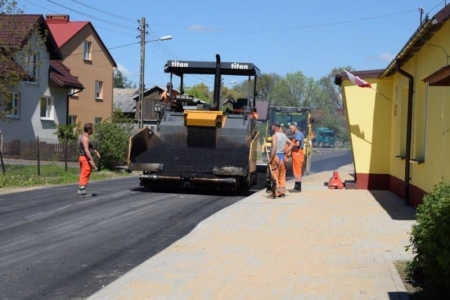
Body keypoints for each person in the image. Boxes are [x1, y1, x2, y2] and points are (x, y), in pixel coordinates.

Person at [268, 121, 294, 199]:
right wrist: (287, 151)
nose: (271, 127)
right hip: (282, 157)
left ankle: (276, 192)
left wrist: (270, 159)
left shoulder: (274, 136)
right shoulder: (283, 135)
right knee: (282, 175)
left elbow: (274, 149)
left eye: (272, 126)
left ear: (275, 127)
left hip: (276, 157)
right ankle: (282, 193)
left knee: (275, 174)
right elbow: (292, 144)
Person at [77, 123, 100, 196]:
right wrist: (92, 161)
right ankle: (82, 191)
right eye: (92, 129)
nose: (93, 130)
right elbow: (86, 150)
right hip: (84, 158)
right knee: (85, 172)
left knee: (84, 172)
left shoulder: (82, 136)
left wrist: (95, 152)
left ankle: (81, 189)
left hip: (82, 157)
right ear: (89, 130)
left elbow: (89, 148)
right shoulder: (85, 138)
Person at [286, 122, 305, 193]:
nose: (290, 129)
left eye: (291, 128)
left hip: (298, 153)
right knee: (296, 170)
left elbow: (297, 144)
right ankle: (296, 186)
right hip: (295, 153)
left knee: (297, 170)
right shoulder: (295, 135)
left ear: (295, 127)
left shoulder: (298, 134)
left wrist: (290, 146)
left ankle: (298, 187)